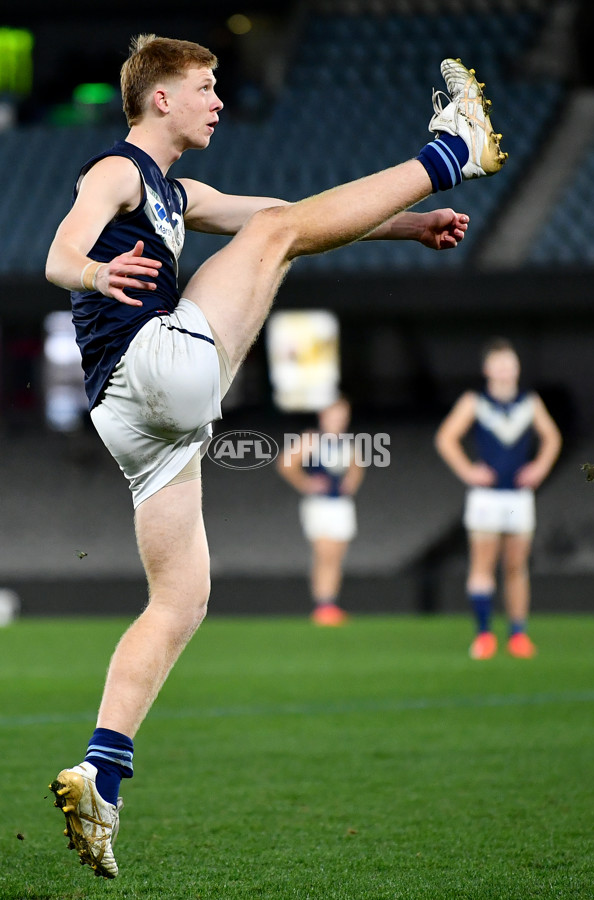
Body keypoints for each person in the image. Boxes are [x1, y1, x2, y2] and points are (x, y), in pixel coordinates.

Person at [45, 35, 507, 878]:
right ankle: (454, 148)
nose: (219, 101)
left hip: (131, 420)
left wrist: (403, 227)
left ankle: (101, 774)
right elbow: (59, 250)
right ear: (160, 101)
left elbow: (294, 214)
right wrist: (90, 274)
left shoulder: (178, 191)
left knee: (181, 599)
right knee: (273, 235)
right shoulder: (115, 170)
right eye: (206, 87)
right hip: (154, 366)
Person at [434, 338, 562, 660]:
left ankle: (518, 634)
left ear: (517, 367)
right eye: (500, 363)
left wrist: (540, 467)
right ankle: (484, 634)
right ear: (487, 368)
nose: (506, 369)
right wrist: (467, 471)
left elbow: (552, 437)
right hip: (486, 497)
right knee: (482, 566)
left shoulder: (529, 402)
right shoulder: (475, 401)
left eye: (511, 363)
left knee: (517, 567)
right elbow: (446, 437)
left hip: (518, 496)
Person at [277, 397, 363, 625]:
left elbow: (357, 466)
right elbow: (286, 463)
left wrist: (352, 482)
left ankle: (331, 603)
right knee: (324, 554)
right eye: (335, 415)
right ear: (323, 416)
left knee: (337, 555)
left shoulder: (347, 442)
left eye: (343, 416)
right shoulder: (312, 439)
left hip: (341, 504)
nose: (339, 420)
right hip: (319, 504)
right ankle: (322, 604)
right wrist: (305, 483)